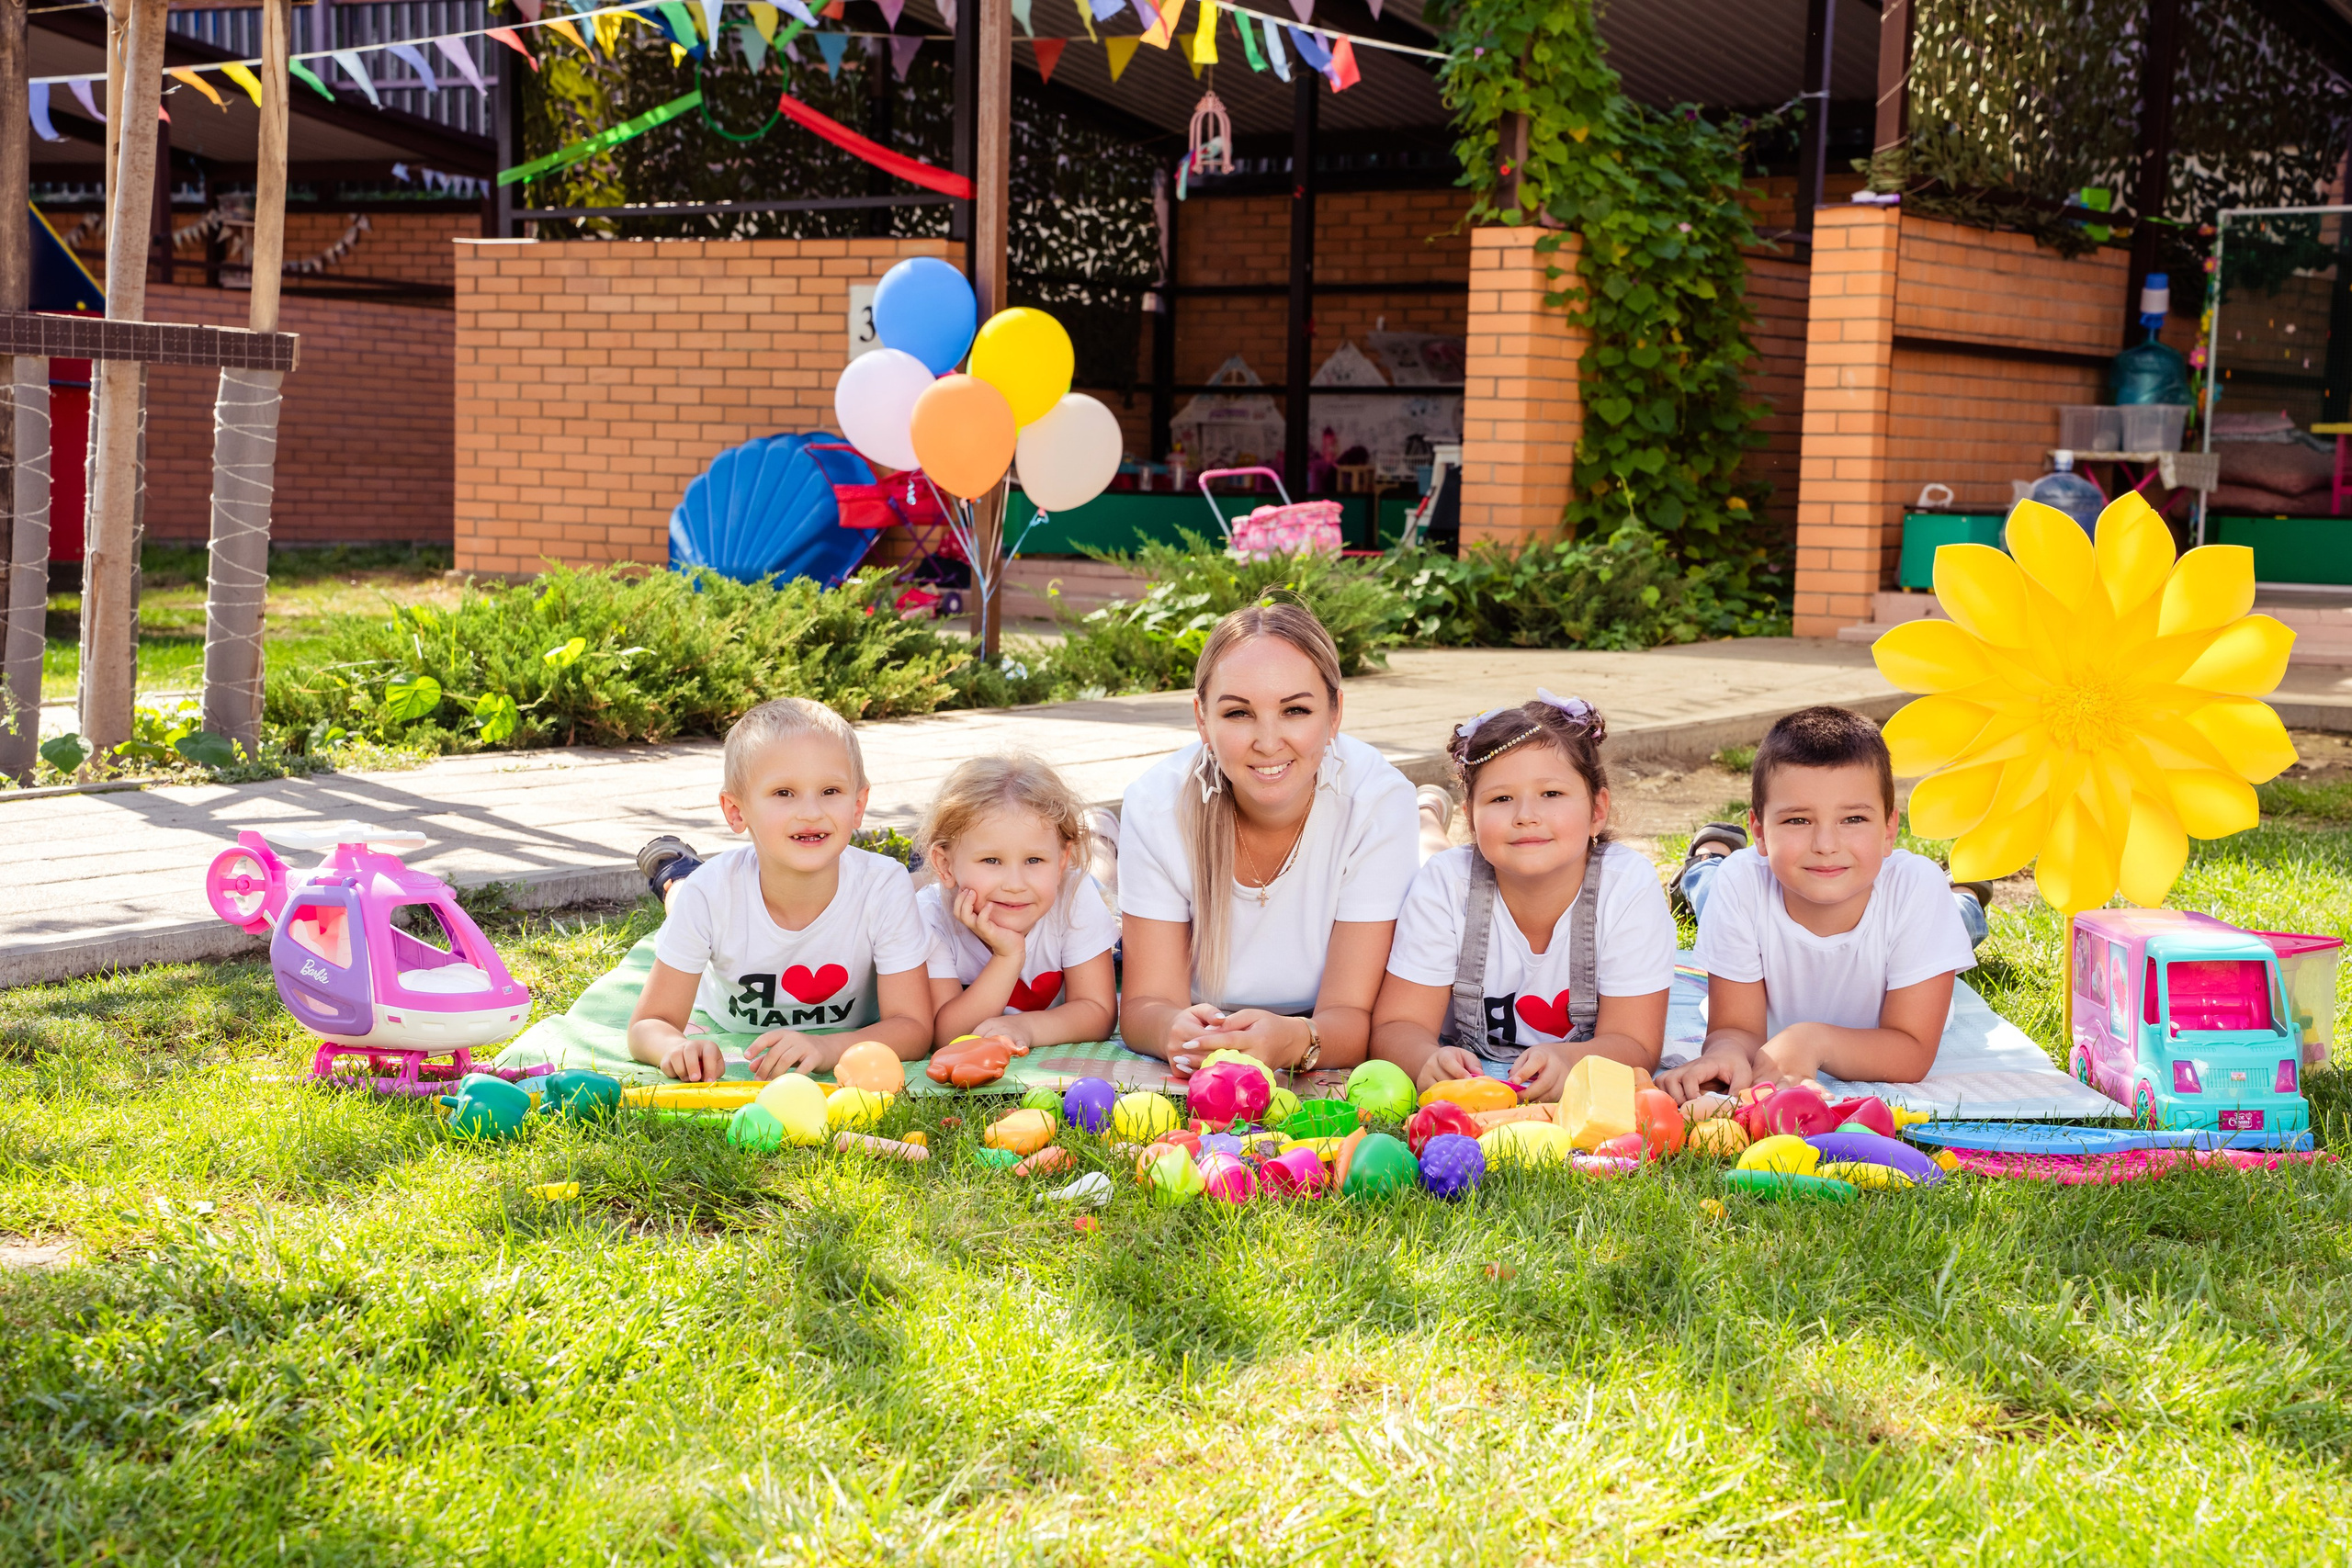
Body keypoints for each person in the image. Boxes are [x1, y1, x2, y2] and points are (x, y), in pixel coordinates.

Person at [1115, 602, 1419, 1075]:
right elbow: (1142, 1007)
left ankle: (1431, 815)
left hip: (1388, 830)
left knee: (1434, 862)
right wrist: (1172, 1030)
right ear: (1202, 721)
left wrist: (1296, 1040)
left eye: (1295, 709)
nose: (1268, 741)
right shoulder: (1155, 805)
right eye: (1238, 713)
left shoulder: (1378, 802)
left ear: (1335, 714)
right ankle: (1099, 842)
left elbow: (1353, 1018)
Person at [1656, 705, 1979, 1100]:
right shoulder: (1743, 881)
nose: (1826, 846)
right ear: (1759, 831)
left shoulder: (1916, 889)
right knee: (1713, 886)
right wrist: (1725, 1054)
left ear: (1889, 829)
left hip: (1927, 908)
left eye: (1854, 820)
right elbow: (1736, 1029)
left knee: (1961, 918)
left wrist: (1813, 1041)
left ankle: (1968, 892)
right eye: (1797, 821)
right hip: (1748, 879)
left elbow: (1911, 1051)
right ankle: (1708, 857)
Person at [1371, 694, 1674, 1100]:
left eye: (1551, 794)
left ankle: (1427, 815)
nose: (1525, 816)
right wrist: (1425, 1058)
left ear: (1597, 811)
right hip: (1453, 868)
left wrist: (1573, 1062)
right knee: (1432, 857)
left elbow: (1636, 1045)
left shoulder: (1627, 887)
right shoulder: (1446, 886)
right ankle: (1426, 814)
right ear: (1472, 819)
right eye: (1500, 799)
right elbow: (1396, 1028)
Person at [626, 698, 935, 1082]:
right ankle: (676, 873)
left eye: (830, 791)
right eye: (784, 793)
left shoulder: (884, 886)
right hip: (706, 890)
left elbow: (913, 1028)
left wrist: (827, 1048)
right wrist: (675, 1047)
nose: (810, 812)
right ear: (737, 812)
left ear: (858, 805)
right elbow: (649, 1024)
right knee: (686, 896)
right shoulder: (711, 893)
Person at [918, 754, 1119, 1049]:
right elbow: (945, 1036)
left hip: (1090, 890)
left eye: (1034, 859)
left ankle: (1099, 830)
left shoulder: (1074, 893)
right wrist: (1007, 957)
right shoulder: (931, 917)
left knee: (1100, 873)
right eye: (991, 860)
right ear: (946, 865)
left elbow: (1099, 1011)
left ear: (1061, 860)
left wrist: (1027, 1027)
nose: (1014, 885)